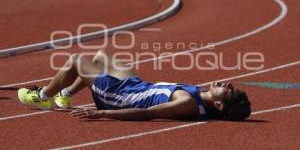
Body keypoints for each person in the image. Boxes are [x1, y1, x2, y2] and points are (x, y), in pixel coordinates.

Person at [18, 50, 251, 121]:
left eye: (229, 89)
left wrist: (102, 112)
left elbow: (148, 113)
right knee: (100, 57)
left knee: (76, 61)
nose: (227, 83)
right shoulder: (198, 98)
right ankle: (65, 95)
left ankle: (44, 96)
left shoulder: (186, 102)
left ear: (219, 105)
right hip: (136, 85)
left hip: (118, 96)